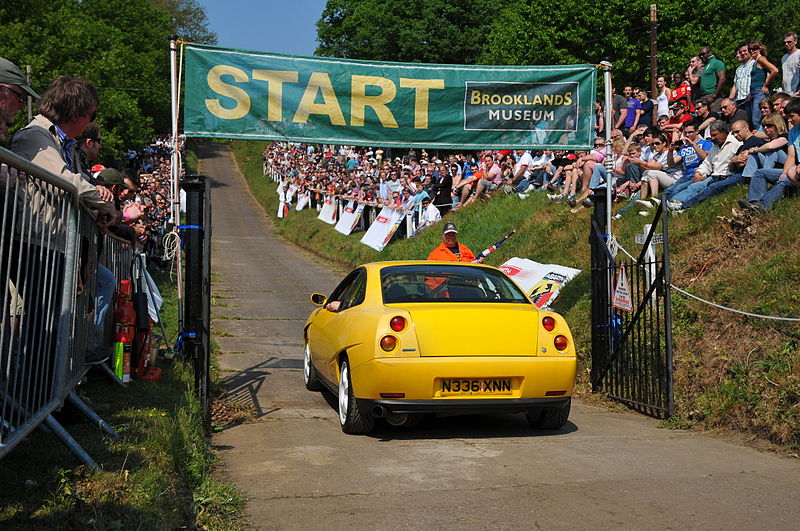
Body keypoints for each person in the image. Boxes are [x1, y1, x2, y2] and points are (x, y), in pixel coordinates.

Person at [698, 46, 727, 112]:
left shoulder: (717, 63)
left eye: (703, 54)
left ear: (710, 53)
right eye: (700, 55)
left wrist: (714, 95)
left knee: (715, 118)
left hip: (713, 97)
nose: (702, 56)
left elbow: (722, 78)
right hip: (704, 97)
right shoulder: (706, 65)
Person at [781, 32, 800, 96]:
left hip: (796, 92)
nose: (786, 44)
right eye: (784, 42)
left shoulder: (799, 54)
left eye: (789, 42)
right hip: (786, 93)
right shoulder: (784, 57)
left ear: (795, 42)